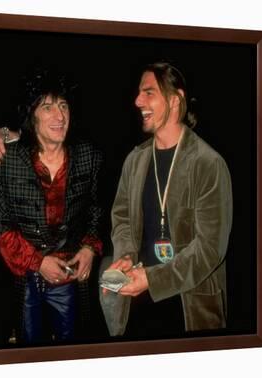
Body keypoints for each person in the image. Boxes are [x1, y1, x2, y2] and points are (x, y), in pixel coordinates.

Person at [100, 62, 233, 338]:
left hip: (191, 308)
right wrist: (125, 255)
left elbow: (210, 249)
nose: (138, 101)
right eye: (139, 93)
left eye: (149, 92)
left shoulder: (208, 163)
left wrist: (152, 278)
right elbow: (121, 217)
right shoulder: (135, 160)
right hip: (138, 304)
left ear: (175, 100)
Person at [0, 69, 104, 343]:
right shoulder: (7, 160)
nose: (60, 116)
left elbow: (97, 211)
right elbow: (0, 226)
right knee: (28, 356)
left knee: (73, 353)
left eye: (63, 106)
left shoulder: (89, 154)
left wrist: (90, 247)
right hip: (24, 276)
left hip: (72, 277)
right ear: (32, 115)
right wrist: (38, 263)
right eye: (48, 107)